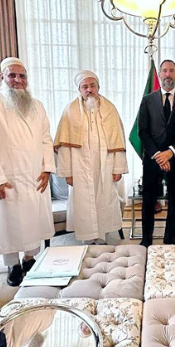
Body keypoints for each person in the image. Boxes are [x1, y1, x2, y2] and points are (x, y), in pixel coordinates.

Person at [0, 57, 55, 287]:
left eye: (22, 76)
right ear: (2, 77)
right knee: (8, 222)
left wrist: (47, 170)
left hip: (35, 175)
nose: (17, 80)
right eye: (12, 75)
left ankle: (30, 259)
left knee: (34, 220)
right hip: (6, 177)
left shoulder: (37, 105)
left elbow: (46, 139)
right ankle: (12, 265)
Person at [54, 70, 128, 243]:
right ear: (79, 89)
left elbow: (119, 141)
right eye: (84, 86)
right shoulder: (70, 110)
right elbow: (64, 147)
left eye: (92, 85)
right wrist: (68, 173)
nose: (89, 90)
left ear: (98, 87)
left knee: (104, 200)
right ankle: (87, 240)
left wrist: (118, 169)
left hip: (106, 166)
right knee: (83, 204)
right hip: (80, 168)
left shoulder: (110, 109)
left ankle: (102, 238)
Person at [137, 59, 175, 246]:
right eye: (164, 71)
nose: (168, 74)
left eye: (171, 71)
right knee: (148, 201)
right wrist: (158, 155)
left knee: (174, 201)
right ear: (160, 75)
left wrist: (170, 152)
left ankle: (169, 239)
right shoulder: (147, 100)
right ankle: (146, 240)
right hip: (152, 160)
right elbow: (142, 131)